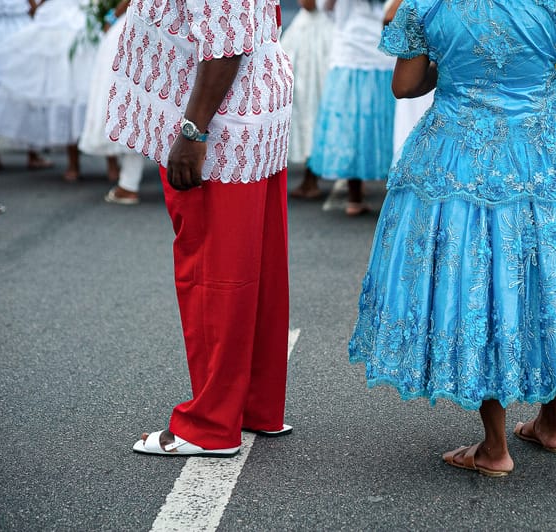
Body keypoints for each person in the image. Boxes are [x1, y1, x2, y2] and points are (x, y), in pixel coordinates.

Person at [349, 0, 556, 476]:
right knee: (550, 278)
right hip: (548, 150)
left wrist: (446, 68)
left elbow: (405, 86)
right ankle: (550, 423)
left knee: (482, 285)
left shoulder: (427, 5)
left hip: (459, 153)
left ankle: (494, 447)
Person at [106, 0, 294, 456]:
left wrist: (193, 133)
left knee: (214, 277)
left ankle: (210, 424)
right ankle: (253, 405)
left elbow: (225, 44)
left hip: (222, 127)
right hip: (251, 114)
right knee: (256, 272)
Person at [307, 0, 395, 216]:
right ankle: (390, 198)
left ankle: (354, 197)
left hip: (349, 54)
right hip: (382, 55)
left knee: (351, 128)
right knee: (386, 127)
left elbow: (324, 6)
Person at [0, 0, 98, 181]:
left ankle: (74, 164)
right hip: (71, 18)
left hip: (66, 18)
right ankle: (106, 164)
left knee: (70, 92)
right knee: (76, 91)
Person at [78, 0, 148, 204]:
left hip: (140, 25)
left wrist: (113, 16)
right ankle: (129, 182)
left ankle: (129, 184)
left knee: (131, 106)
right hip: (167, 25)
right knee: (141, 106)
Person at [282, 0, 335, 200]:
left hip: (314, 36)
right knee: (323, 103)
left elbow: (308, 4)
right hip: (331, 31)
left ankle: (310, 179)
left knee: (308, 104)